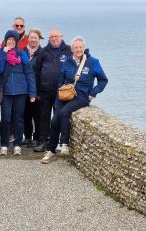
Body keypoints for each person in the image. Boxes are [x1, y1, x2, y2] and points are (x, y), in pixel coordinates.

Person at [41, 36, 108, 164]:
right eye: (76, 47)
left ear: (84, 48)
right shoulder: (67, 62)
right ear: (72, 49)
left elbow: (103, 80)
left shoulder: (93, 62)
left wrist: (93, 93)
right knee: (54, 120)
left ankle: (65, 144)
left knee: (64, 113)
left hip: (82, 96)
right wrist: (59, 93)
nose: (78, 49)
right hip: (65, 95)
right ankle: (51, 151)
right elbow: (61, 79)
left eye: (80, 47)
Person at [0, 30, 36, 156]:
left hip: (20, 91)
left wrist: (32, 93)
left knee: (18, 119)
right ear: (5, 41)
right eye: (9, 40)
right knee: (5, 119)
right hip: (6, 91)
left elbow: (29, 72)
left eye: (13, 40)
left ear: (16, 42)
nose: (11, 42)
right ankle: (4, 144)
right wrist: (3, 54)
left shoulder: (22, 54)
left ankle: (17, 144)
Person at [33, 28, 72, 152]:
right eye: (52, 37)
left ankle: (58, 143)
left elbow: (77, 62)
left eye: (56, 36)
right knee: (44, 116)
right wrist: (37, 90)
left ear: (61, 36)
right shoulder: (44, 51)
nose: (54, 39)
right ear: (49, 39)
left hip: (62, 91)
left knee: (58, 117)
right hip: (45, 91)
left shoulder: (69, 50)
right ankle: (43, 141)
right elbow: (37, 71)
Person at [22, 28, 44, 148]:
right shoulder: (22, 52)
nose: (33, 40)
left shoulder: (43, 52)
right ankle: (27, 137)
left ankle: (37, 138)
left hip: (38, 90)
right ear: (28, 38)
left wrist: (39, 91)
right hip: (24, 89)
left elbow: (44, 72)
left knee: (37, 116)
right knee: (26, 115)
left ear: (39, 39)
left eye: (35, 37)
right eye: (31, 37)